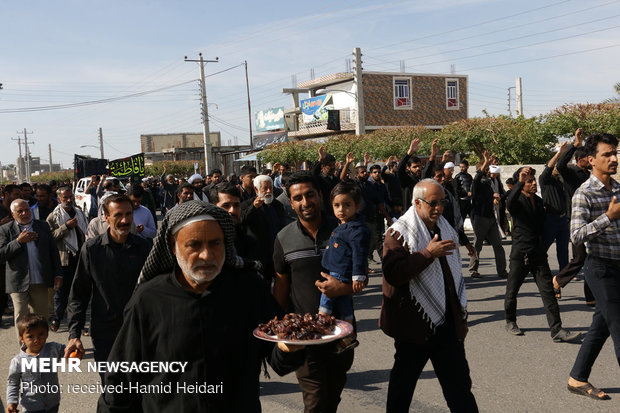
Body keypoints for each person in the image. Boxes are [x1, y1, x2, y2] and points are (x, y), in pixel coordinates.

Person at [97, 201, 304, 412]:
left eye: (215, 243)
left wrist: (289, 348)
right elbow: (120, 381)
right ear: (173, 246)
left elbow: (279, 361)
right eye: (194, 245)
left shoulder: (250, 289)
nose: (206, 255)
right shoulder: (149, 299)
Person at [381, 179, 478, 413]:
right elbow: (394, 274)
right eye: (432, 203)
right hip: (414, 327)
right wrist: (427, 254)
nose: (438, 208)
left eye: (442, 202)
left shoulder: (445, 228)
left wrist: (460, 319)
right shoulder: (398, 234)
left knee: (460, 390)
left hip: (446, 326)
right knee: (401, 393)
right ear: (417, 202)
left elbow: (451, 279)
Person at [273, 171, 355, 413]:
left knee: (332, 399)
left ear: (320, 195)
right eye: (297, 198)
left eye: (310, 195)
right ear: (290, 201)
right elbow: (281, 287)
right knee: (316, 401)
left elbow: (362, 277)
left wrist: (344, 287)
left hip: (342, 335)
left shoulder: (345, 229)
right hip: (304, 338)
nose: (305, 202)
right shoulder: (283, 238)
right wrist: (279, 330)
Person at [65, 194, 150, 376]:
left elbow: (156, 291)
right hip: (105, 333)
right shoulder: (92, 250)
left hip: (139, 331)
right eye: (118, 215)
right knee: (112, 390)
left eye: (129, 214)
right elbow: (79, 294)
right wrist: (74, 335)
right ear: (106, 217)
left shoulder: (144, 248)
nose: (125, 220)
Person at [566, 132, 620, 401]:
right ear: (590, 160)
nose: (614, 158)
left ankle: (577, 377)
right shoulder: (583, 194)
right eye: (607, 154)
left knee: (601, 326)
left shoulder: (619, 189)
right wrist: (607, 218)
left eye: (615, 153)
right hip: (600, 269)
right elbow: (576, 235)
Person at [503, 167, 580, 343]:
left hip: (538, 254)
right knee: (512, 291)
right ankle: (510, 321)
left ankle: (557, 330)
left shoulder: (539, 202)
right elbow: (509, 204)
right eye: (528, 181)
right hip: (520, 253)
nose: (533, 183)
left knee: (548, 292)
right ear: (521, 184)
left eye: (532, 180)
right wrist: (520, 181)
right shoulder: (516, 201)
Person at [0, 199, 62, 340]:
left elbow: (53, 251)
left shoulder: (43, 226)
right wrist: (18, 242)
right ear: (13, 214)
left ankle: (40, 348)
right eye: (20, 211)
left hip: (39, 280)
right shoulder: (5, 229)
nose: (24, 213)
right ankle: (24, 350)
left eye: (27, 210)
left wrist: (58, 274)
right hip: (18, 282)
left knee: (41, 318)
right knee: (21, 317)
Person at [319, 181, 370, 352]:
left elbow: (359, 255)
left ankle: (320, 326)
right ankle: (349, 337)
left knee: (326, 299)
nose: (341, 209)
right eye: (337, 205)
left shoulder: (356, 229)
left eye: (347, 205)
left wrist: (358, 276)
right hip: (337, 270)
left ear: (358, 206)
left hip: (340, 273)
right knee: (345, 307)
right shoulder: (343, 224)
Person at [553, 128, 595, 305]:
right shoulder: (570, 172)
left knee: (592, 258)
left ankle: (591, 297)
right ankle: (557, 281)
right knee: (579, 259)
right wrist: (574, 144)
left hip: (592, 220)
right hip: (576, 221)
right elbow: (560, 165)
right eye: (587, 158)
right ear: (580, 159)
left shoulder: (590, 175)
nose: (590, 160)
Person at [46, 186, 88, 332]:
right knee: (61, 294)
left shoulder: (80, 214)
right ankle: (57, 319)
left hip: (79, 258)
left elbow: (85, 233)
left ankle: (78, 324)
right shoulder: (54, 216)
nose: (69, 200)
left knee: (78, 293)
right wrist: (66, 227)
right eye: (66, 198)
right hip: (63, 260)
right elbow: (49, 238)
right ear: (59, 199)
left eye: (71, 197)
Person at [7, 314, 65, 413]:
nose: (36, 339)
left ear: (47, 334)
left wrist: (75, 351)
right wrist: (12, 402)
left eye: (41, 334)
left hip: (52, 403)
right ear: (22, 339)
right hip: (31, 407)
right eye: (30, 336)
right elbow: (13, 383)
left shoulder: (53, 348)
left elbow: (68, 350)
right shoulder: (18, 361)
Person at [468, 151, 507, 278]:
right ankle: (473, 270)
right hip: (480, 218)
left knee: (498, 246)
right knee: (477, 245)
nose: (488, 170)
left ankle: (502, 271)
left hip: (491, 218)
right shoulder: (476, 183)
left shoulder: (489, 182)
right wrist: (485, 160)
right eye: (485, 168)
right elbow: (478, 175)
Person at [241, 175, 285, 285]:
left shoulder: (277, 205)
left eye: (270, 188)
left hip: (276, 253)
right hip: (258, 256)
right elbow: (243, 220)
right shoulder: (247, 205)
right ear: (256, 189)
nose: (269, 191)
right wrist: (254, 208)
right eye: (265, 188)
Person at [540, 142, 571, 273]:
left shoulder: (561, 181)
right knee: (543, 247)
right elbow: (547, 169)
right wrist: (558, 153)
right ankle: (535, 267)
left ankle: (564, 271)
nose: (558, 166)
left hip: (563, 219)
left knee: (563, 248)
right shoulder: (544, 180)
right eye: (556, 164)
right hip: (550, 219)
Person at [313, 145, 340, 217]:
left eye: (333, 164)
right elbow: (312, 174)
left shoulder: (336, 180)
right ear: (322, 166)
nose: (332, 167)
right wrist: (320, 159)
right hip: (325, 214)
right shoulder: (319, 179)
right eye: (329, 165)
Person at [397, 137, 422, 209]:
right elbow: (399, 169)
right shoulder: (406, 180)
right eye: (415, 167)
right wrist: (409, 153)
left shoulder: (422, 179)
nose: (418, 169)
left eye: (419, 166)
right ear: (409, 168)